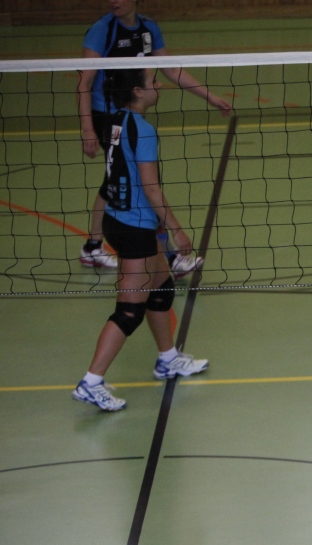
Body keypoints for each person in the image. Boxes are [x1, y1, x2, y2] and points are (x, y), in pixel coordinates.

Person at [72, 67, 207, 412]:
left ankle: (168, 359)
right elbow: (150, 187)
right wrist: (175, 229)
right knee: (130, 311)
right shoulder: (143, 130)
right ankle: (91, 382)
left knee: (161, 289)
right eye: (153, 82)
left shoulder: (114, 121)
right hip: (134, 227)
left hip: (120, 219)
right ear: (137, 91)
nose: (159, 85)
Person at [78, 0, 232, 273]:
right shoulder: (103, 30)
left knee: (116, 180)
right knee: (144, 185)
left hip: (130, 116)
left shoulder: (148, 28)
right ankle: (170, 256)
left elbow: (170, 69)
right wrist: (87, 129)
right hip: (108, 116)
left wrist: (210, 97)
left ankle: (93, 246)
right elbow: (85, 82)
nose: (114, 1)